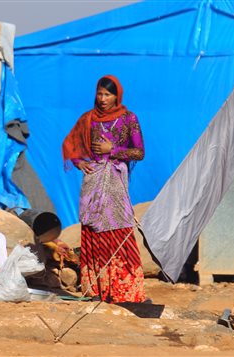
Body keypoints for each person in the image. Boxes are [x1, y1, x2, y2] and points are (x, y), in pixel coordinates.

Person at [62, 74, 146, 303]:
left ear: (117, 95)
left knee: (119, 227)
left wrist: (114, 148)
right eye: (99, 93)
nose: (102, 99)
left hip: (116, 182)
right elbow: (69, 144)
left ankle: (125, 290)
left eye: (107, 94)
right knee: (92, 228)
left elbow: (139, 152)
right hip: (94, 180)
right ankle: (96, 288)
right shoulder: (89, 118)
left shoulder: (129, 119)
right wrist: (81, 163)